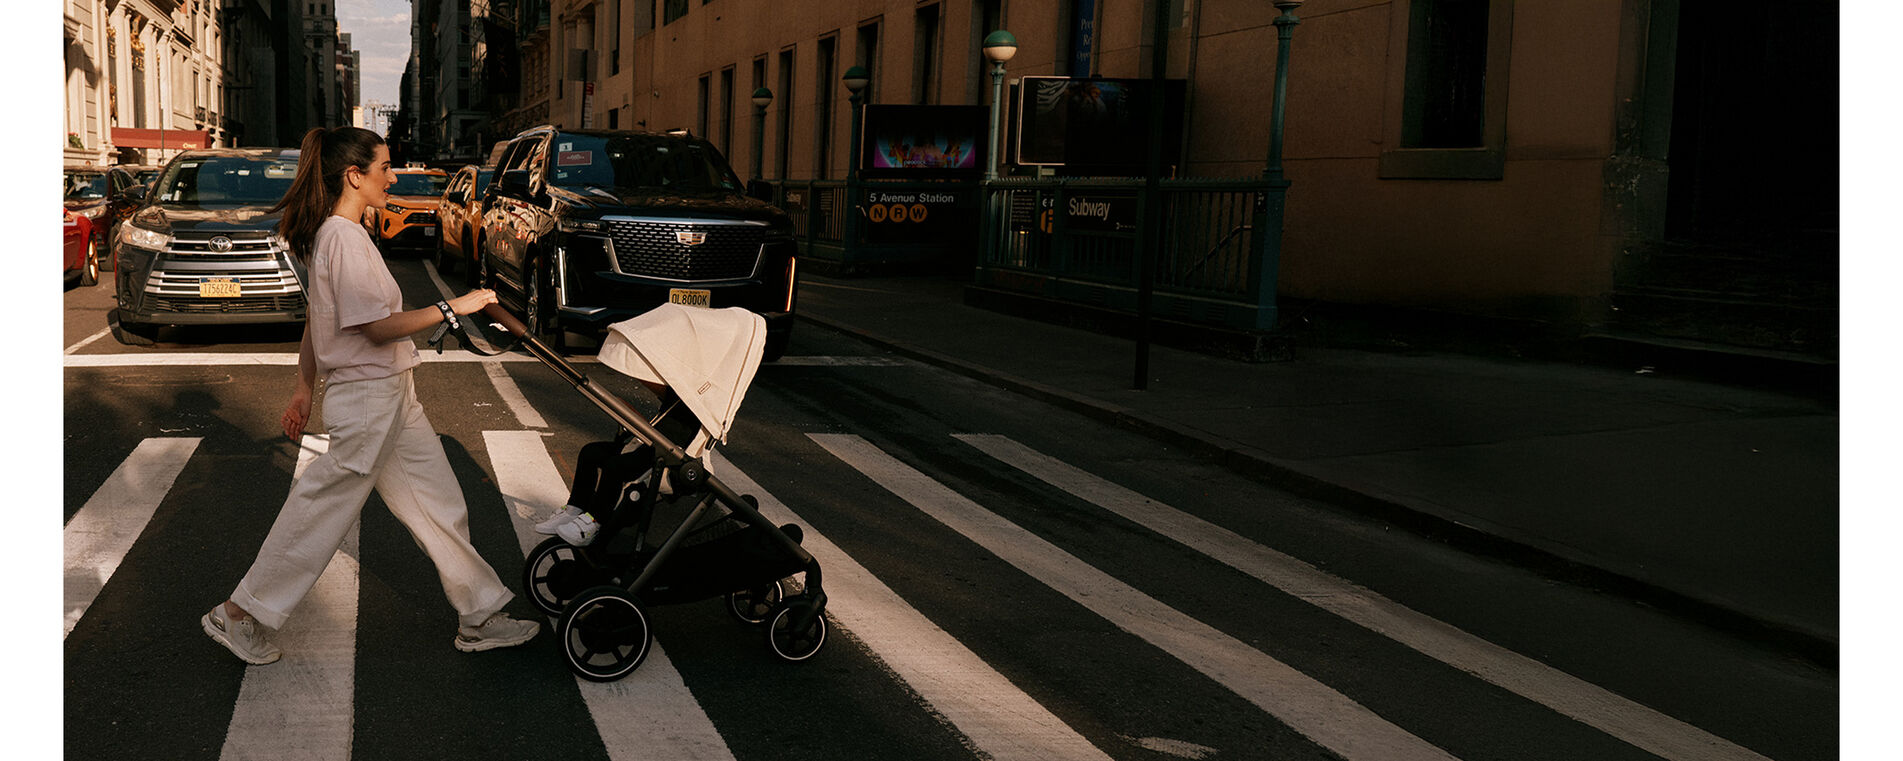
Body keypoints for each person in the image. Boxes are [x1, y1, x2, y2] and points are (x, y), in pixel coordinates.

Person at [201, 126, 539, 665]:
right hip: (367, 396)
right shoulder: (341, 236)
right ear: (353, 175)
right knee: (321, 510)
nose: (393, 175)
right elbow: (377, 328)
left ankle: (479, 615)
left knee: (438, 502)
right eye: (384, 167)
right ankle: (238, 613)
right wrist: (460, 307)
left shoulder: (338, 235)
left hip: (389, 394)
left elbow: (319, 318)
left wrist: (304, 387)